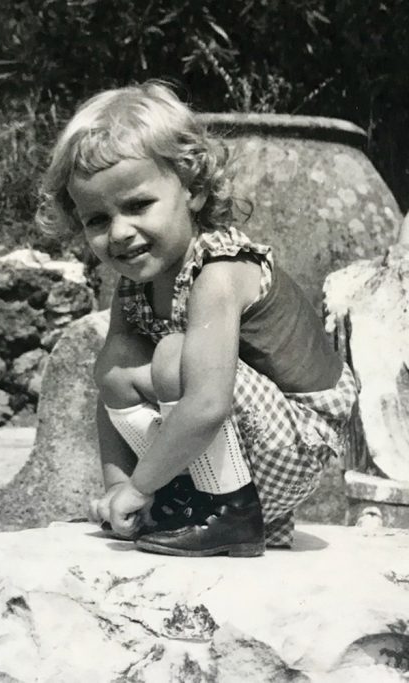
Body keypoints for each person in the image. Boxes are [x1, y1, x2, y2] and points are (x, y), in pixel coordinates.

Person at [37, 81, 358, 557]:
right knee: (116, 363)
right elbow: (112, 386)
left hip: (297, 445)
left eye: (137, 205)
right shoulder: (137, 281)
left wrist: (141, 487)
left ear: (194, 191)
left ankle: (230, 513)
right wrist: (118, 490)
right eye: (97, 220)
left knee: (172, 354)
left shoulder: (219, 270)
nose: (120, 233)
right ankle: (185, 497)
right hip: (241, 445)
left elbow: (207, 404)